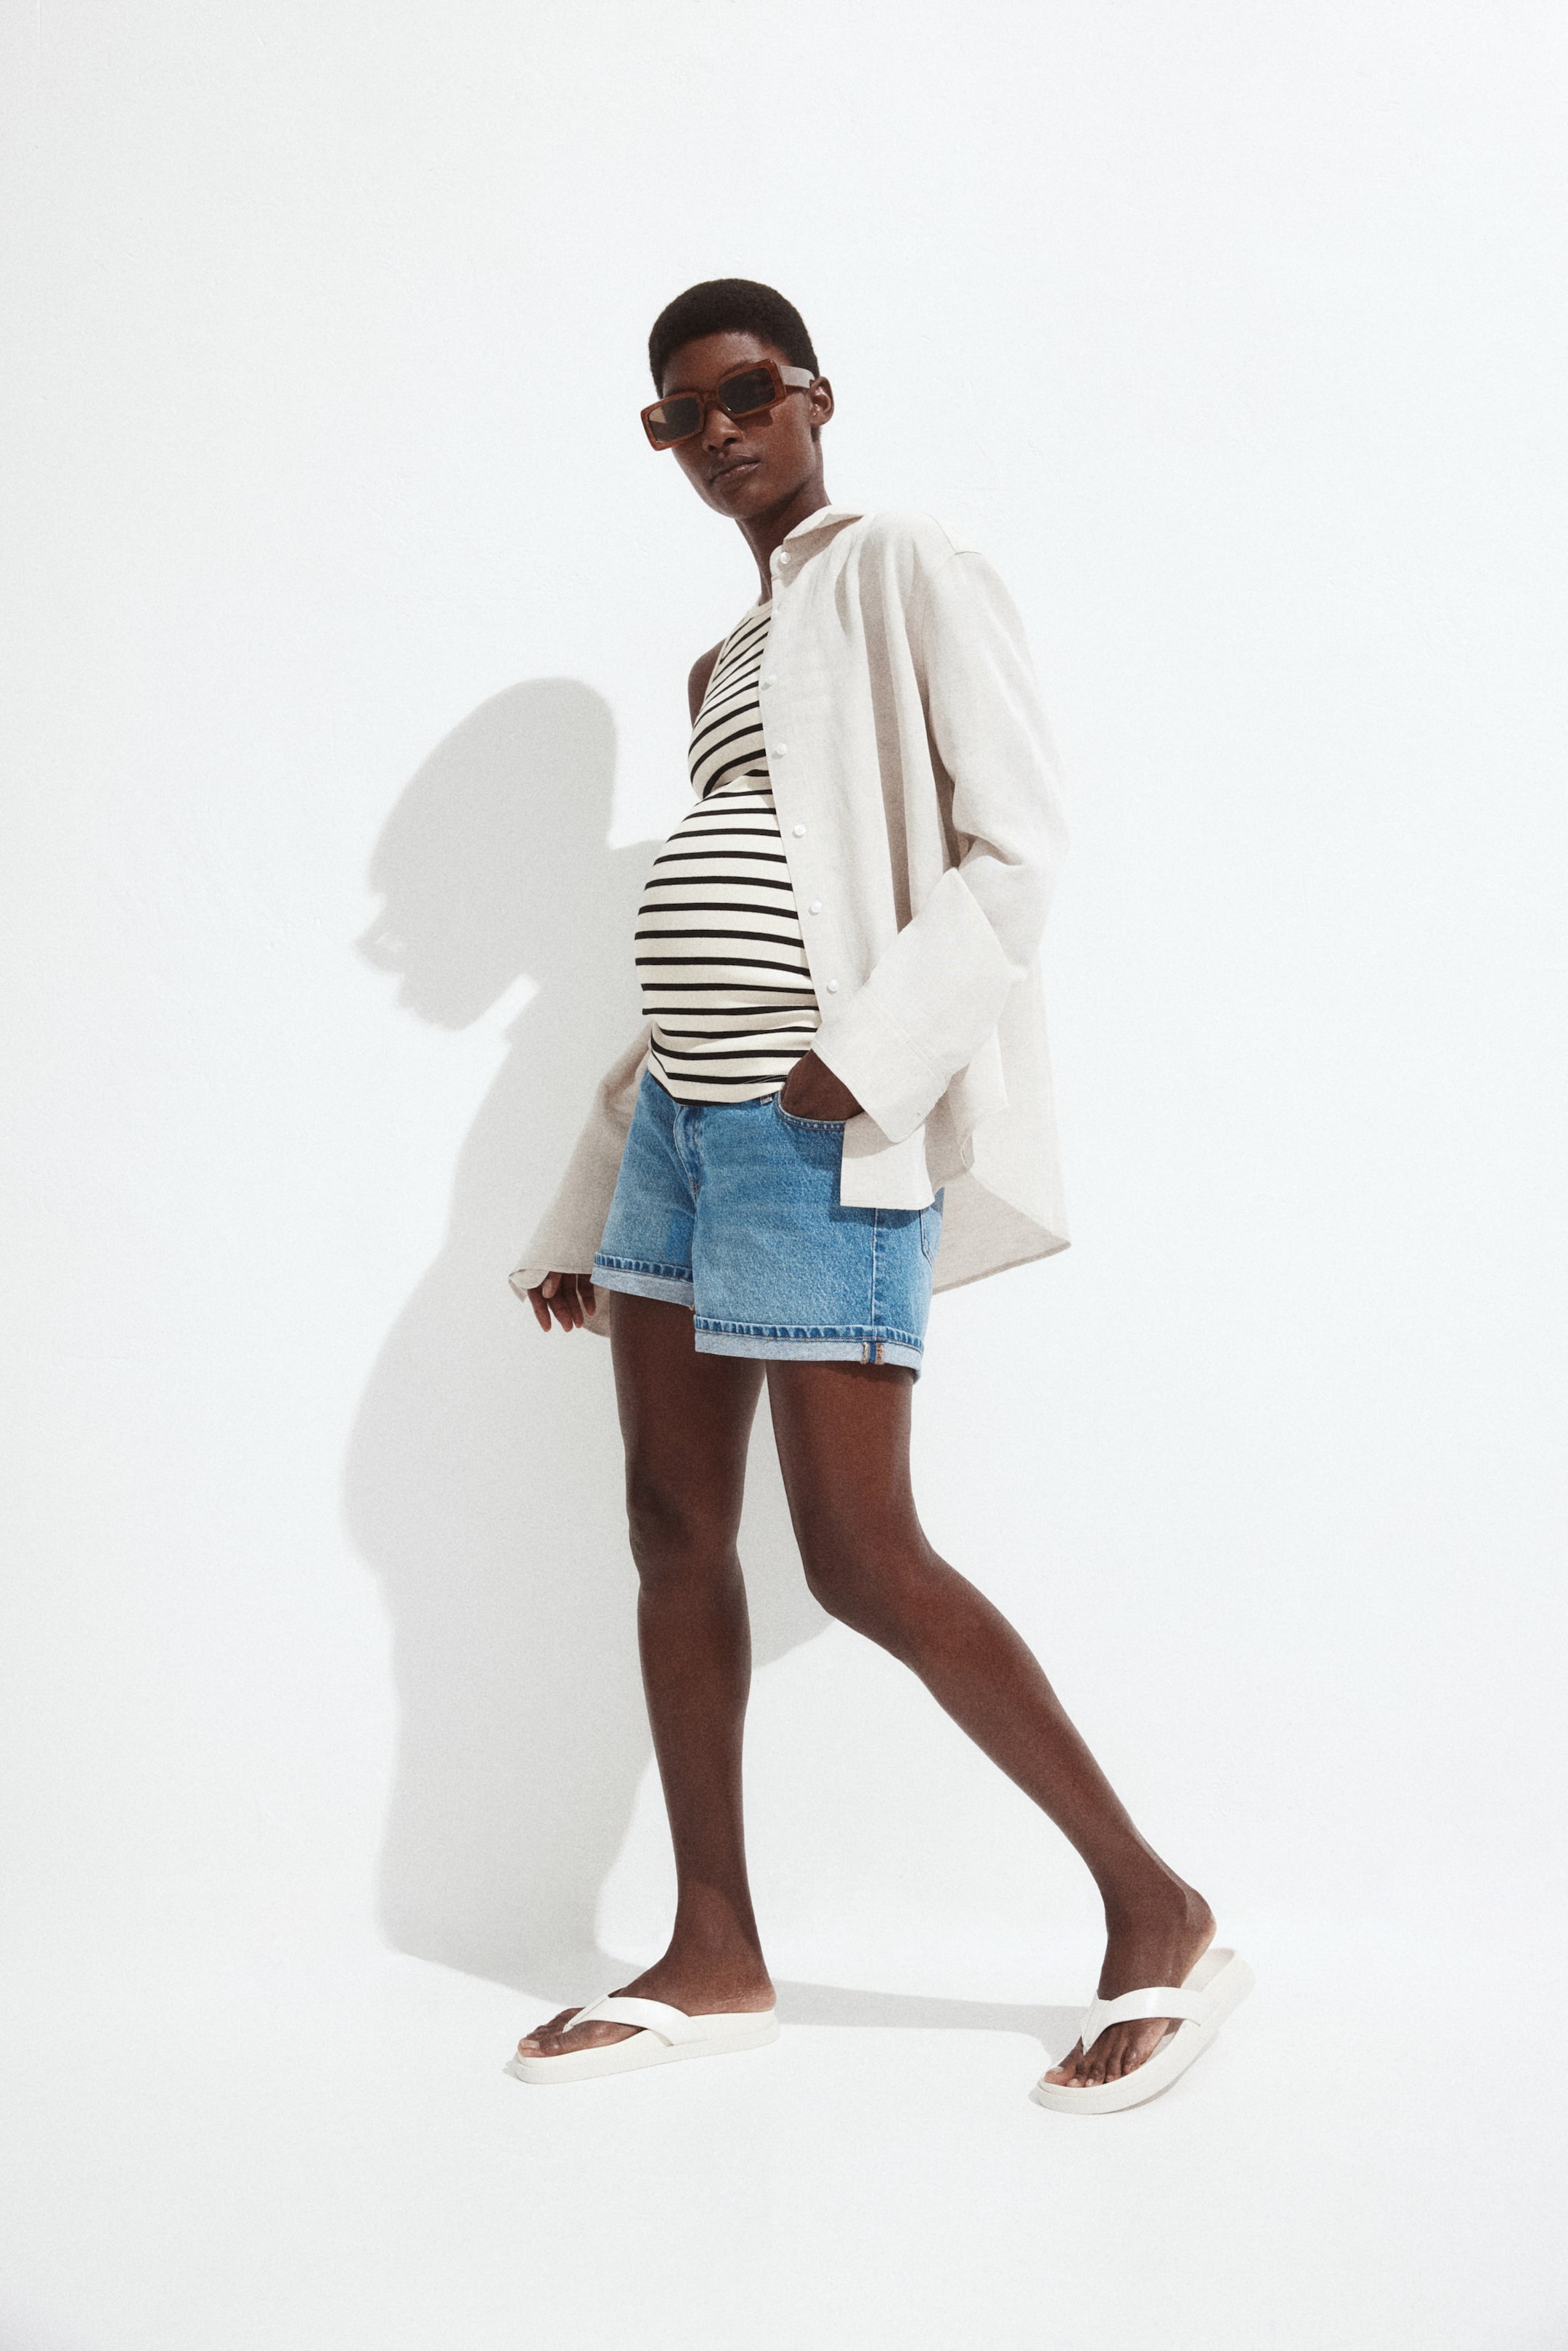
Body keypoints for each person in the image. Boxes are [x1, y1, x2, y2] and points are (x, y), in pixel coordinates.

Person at [504, 280, 1250, 2111]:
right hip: (679, 1133)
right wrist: (584, 1201)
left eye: (747, 392)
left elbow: (1017, 848)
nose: (721, 431)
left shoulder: (901, 564)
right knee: (671, 1527)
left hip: (817, 1121)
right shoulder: (719, 663)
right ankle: (714, 1947)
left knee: (858, 1550)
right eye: (682, 415)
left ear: (815, 395)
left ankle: (1158, 1907)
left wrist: (874, 1055)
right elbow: (717, 928)